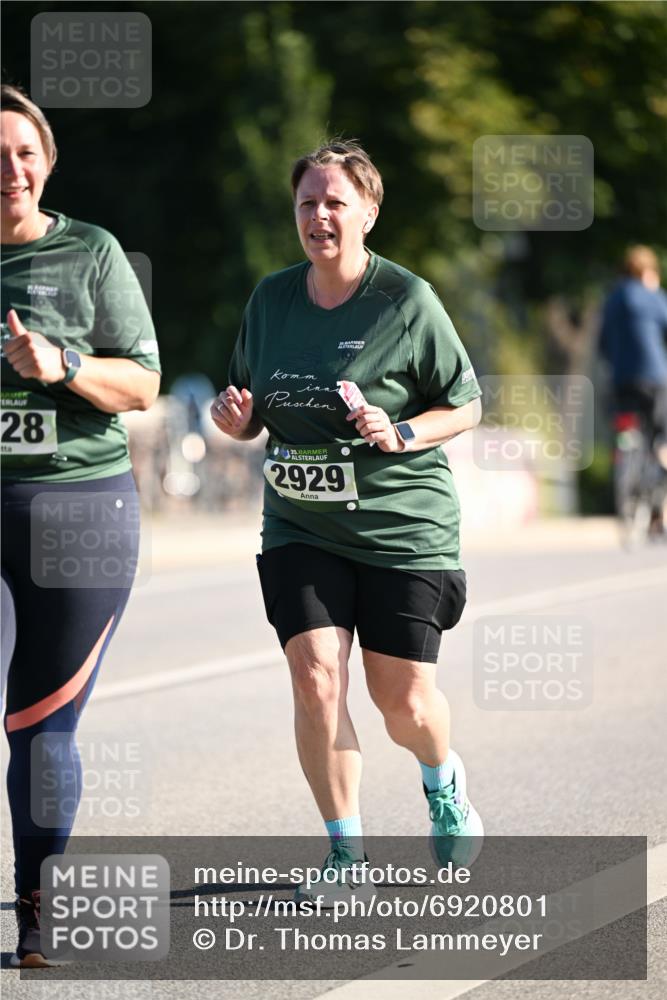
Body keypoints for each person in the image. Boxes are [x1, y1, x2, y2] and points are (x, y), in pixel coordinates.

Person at [211, 140, 483, 902]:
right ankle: (345, 857)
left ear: (367, 210)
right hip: (300, 524)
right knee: (316, 676)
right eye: (307, 202)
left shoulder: (406, 300)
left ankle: (441, 778)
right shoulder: (271, 300)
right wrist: (234, 419)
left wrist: (400, 433)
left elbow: (463, 402)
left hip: (400, 527)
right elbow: (247, 408)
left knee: (402, 702)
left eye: (335, 202)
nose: (319, 215)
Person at [1, 84, 161, 966]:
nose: (9, 170)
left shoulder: (92, 253)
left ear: (48, 161)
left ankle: (38, 905)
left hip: (75, 511)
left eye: (23, 152)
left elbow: (141, 385)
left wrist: (60, 365)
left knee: (39, 724)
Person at [599, 245, 667, 469]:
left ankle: (624, 460)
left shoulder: (611, 300)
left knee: (625, 426)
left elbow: (603, 345)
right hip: (654, 377)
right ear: (647, 272)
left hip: (622, 379)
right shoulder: (653, 296)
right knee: (661, 432)